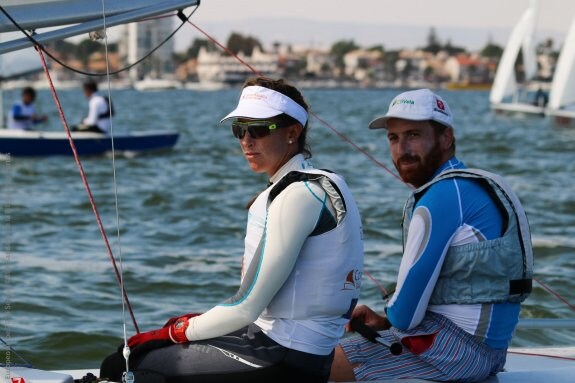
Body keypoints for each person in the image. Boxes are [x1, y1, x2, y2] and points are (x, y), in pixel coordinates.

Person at [100, 77, 364, 383]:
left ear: (293, 133)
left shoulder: (297, 195)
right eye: (239, 129)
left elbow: (245, 308)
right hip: (298, 351)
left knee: (122, 365)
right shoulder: (324, 181)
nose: (246, 140)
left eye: (259, 129)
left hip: (284, 354)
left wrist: (172, 332)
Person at [330, 89, 533, 382]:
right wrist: (385, 321)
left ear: (446, 138)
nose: (402, 149)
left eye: (413, 135)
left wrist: (391, 319)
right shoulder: (474, 185)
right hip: (490, 352)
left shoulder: (440, 198)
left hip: (457, 352)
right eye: (393, 138)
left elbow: (405, 317)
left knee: (318, 362)